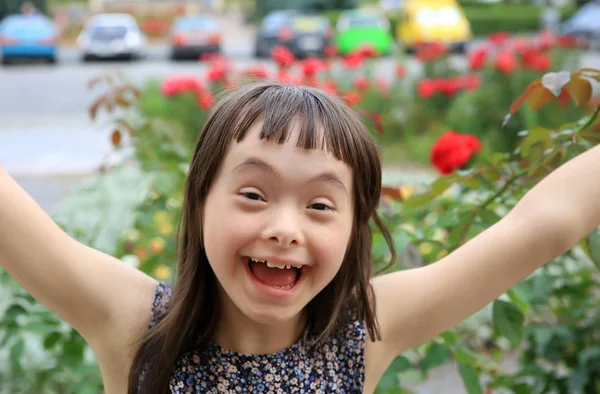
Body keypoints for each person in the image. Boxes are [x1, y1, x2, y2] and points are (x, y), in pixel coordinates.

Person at [1, 81, 599, 394]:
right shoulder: (134, 323)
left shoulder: (364, 332)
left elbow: (541, 226)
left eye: (320, 205)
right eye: (254, 194)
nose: (284, 229)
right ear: (199, 202)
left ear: (353, 229)